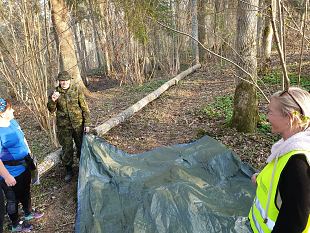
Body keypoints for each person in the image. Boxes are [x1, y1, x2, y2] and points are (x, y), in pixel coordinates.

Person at [249, 87, 310, 233]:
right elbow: (281, 181)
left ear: (289, 117)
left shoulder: (298, 165)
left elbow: (294, 224)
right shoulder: (286, 147)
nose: (267, 117)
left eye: (270, 112)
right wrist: (260, 178)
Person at [0, 98, 44, 232]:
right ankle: (15, 224)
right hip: (10, 172)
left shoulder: (12, 121)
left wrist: (29, 155)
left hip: (24, 165)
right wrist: (6, 176)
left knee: (26, 191)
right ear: (1, 113)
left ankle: (28, 213)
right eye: (10, 109)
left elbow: (23, 138)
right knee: (12, 199)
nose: (13, 110)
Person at [47, 71, 90, 183]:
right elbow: (51, 110)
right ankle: (69, 170)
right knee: (67, 148)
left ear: (70, 80)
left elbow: (84, 107)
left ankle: (83, 167)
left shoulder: (76, 89)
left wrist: (87, 124)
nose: (64, 82)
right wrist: (53, 100)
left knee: (81, 146)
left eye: (66, 80)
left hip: (78, 124)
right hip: (64, 126)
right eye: (62, 80)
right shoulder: (55, 92)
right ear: (59, 81)